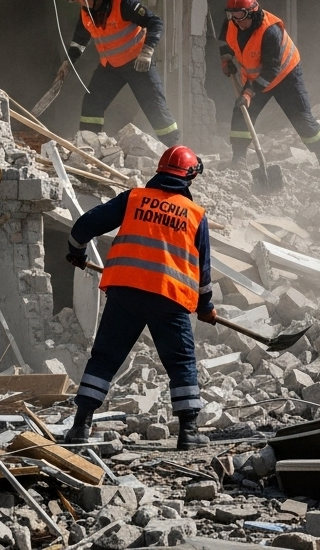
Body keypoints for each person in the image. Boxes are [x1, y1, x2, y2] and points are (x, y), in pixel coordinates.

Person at [63, 146, 216, 450]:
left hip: (126, 294)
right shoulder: (195, 215)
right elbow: (203, 271)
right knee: (181, 362)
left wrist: (76, 252)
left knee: (104, 358)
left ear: (160, 170)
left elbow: (83, 227)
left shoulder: (133, 199)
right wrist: (205, 307)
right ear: (190, 177)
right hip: (169, 299)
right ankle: (188, 433)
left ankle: (80, 426)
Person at [64, 0, 180, 147]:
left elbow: (155, 22)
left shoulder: (124, 2)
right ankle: (89, 147)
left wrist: (147, 52)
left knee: (155, 106)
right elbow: (79, 40)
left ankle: (174, 149)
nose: (80, 4)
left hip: (137, 64)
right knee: (92, 104)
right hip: (110, 66)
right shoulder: (86, 10)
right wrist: (68, 62)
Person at [218, 0, 320, 175]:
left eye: (241, 16)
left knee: (301, 119)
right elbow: (225, 42)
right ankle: (239, 160)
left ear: (252, 12)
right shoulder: (233, 23)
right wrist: (226, 59)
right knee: (242, 112)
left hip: (285, 77)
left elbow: (271, 69)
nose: (237, 21)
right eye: (233, 16)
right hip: (255, 78)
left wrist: (248, 93)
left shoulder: (270, 31)